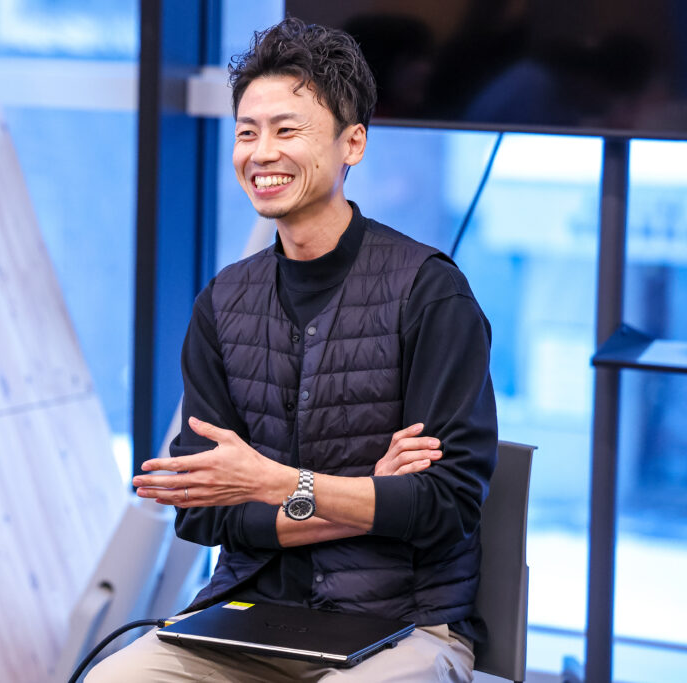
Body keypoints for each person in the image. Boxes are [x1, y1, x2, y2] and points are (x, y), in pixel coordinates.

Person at [87, 17, 496, 682]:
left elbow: (444, 507)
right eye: (247, 132)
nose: (261, 152)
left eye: (286, 130)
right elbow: (203, 513)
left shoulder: (430, 293)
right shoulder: (223, 301)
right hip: (248, 615)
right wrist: (366, 496)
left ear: (352, 142)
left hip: (404, 622)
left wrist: (275, 484)